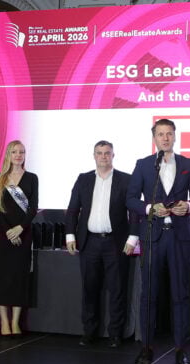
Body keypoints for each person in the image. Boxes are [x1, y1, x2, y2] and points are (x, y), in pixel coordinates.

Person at [126, 118, 190, 364]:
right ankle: (146, 348)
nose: (165, 138)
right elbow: (130, 199)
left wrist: (188, 206)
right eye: (160, 134)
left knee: (180, 294)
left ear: (175, 136)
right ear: (154, 138)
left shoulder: (187, 164)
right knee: (149, 294)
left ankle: (180, 348)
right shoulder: (144, 164)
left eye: (169, 134)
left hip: (179, 237)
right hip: (153, 236)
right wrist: (150, 208)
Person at [65, 140, 137, 348]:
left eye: (107, 153)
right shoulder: (84, 179)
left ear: (113, 155)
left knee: (117, 290)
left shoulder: (126, 180)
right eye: (99, 153)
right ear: (94, 156)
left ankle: (115, 334)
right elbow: (72, 209)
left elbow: (134, 213)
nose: (103, 156)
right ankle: (89, 332)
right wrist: (70, 235)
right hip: (89, 242)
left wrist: (133, 238)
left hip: (116, 243)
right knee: (89, 289)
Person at [0, 140, 39, 336]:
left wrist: (20, 228)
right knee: (2, 277)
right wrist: (9, 231)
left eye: (22, 152)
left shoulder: (32, 178)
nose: (18, 155)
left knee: (20, 278)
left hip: (23, 234)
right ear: (8, 155)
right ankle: (4, 322)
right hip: (3, 236)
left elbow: (33, 207)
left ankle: (16, 322)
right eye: (14, 152)